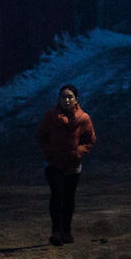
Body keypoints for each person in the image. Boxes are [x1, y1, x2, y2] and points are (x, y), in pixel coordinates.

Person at [36, 83, 95, 246]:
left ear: (76, 100)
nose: (66, 100)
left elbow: (90, 140)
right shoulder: (50, 117)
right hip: (53, 163)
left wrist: (78, 152)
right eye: (63, 96)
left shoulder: (83, 118)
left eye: (70, 97)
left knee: (68, 198)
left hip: (73, 164)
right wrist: (49, 152)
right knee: (57, 194)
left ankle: (66, 231)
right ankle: (56, 231)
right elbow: (42, 136)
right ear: (59, 99)